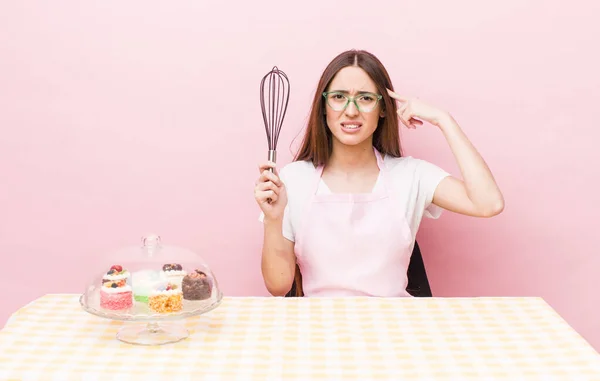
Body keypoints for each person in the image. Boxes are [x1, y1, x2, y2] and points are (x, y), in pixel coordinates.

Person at [254, 49, 504, 298]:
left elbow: (488, 203)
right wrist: (273, 220)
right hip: (321, 329)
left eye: (365, 98)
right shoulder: (293, 179)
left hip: (393, 330)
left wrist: (443, 119)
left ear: (383, 108)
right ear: (324, 107)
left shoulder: (411, 175)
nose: (351, 111)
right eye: (339, 97)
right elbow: (279, 286)